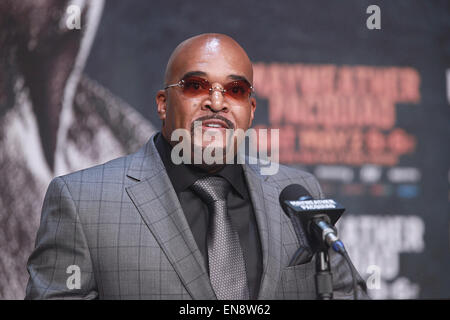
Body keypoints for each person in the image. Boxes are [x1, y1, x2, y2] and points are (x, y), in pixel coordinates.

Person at [25, 33, 367, 299]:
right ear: (163, 104)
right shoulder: (83, 201)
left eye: (234, 90)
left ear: (250, 110)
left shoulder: (298, 191)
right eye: (195, 85)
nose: (216, 102)